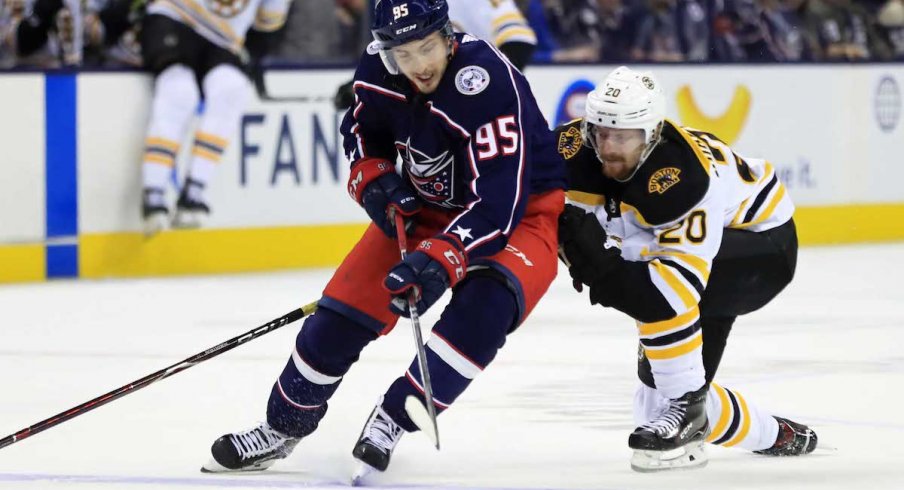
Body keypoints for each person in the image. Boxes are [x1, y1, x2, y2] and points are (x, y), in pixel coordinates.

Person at [202, 0, 566, 477]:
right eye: (403, 53)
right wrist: (372, 178)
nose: (418, 65)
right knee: (338, 318)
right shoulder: (379, 66)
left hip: (521, 215)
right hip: (426, 209)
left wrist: (441, 259)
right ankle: (283, 427)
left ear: (448, 35)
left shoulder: (486, 81)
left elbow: (501, 200)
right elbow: (358, 129)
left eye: (427, 48)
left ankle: (392, 421)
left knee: (484, 312)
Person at [556, 66, 817, 472]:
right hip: (704, 253)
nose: (607, 146)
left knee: (648, 276)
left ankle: (689, 406)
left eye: (622, 136)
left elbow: (670, 294)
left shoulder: (686, 179)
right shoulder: (573, 146)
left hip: (761, 249)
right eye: (600, 133)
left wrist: (601, 269)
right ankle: (773, 433)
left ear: (652, 134)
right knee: (652, 409)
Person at [139, 0, 290, 234]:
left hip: (224, 41)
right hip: (173, 15)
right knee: (179, 91)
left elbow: (268, 25)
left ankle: (195, 190)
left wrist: (250, 59)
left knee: (232, 88)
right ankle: (153, 192)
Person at [333, 0, 536, 110]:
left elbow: (519, 42)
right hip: (429, 116)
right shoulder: (394, 5)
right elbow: (397, 54)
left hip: (479, 113)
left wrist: (487, 88)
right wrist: (359, 88)